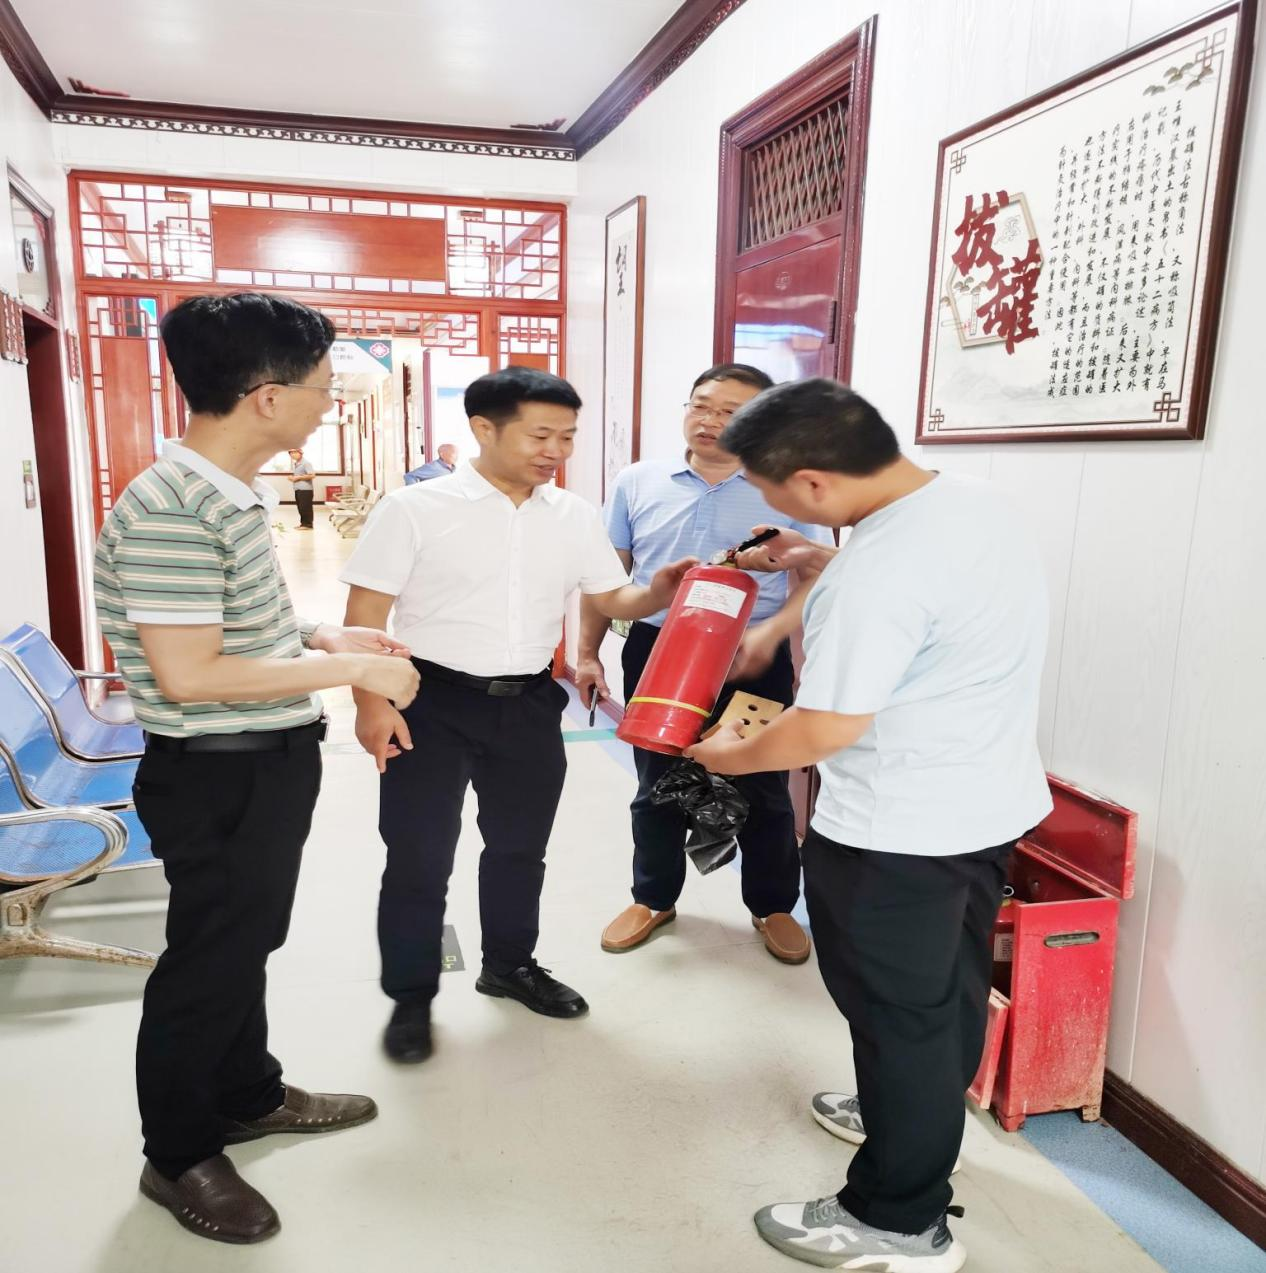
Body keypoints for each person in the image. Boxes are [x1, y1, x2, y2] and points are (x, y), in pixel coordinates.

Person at [685, 379, 1052, 1272]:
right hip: (984, 804)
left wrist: (729, 755)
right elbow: (914, 601)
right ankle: (912, 1115)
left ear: (813, 481)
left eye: (774, 492)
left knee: (896, 1016)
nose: (775, 510)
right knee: (943, 993)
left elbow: (823, 729)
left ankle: (898, 1216)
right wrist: (813, 564)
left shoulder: (878, 572)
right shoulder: (972, 502)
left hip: (895, 829)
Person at [93, 292, 421, 1245]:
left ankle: (247, 1092)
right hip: (216, 772)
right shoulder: (173, 508)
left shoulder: (226, 496)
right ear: (268, 397)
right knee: (209, 958)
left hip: (262, 762)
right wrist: (356, 673)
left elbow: (232, 627)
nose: (328, 404)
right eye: (322, 387)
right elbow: (190, 675)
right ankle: (178, 1152)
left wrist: (321, 634)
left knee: (246, 941)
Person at [340, 366, 698, 1064]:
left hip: (530, 705)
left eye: (567, 436)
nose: (555, 450)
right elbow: (364, 617)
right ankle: (411, 997)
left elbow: (610, 597)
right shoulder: (414, 508)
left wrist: (657, 590)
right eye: (540, 435)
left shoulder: (573, 515)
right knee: (418, 858)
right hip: (429, 701)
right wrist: (369, 705)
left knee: (518, 850)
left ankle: (509, 965)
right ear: (484, 428)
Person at [577, 364, 832, 963]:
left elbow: (814, 577)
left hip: (752, 658)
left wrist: (780, 643)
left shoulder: (790, 489)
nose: (711, 420)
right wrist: (587, 654)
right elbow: (605, 579)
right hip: (658, 653)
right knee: (655, 781)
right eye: (701, 405)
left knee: (765, 783)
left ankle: (772, 905)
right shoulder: (638, 480)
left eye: (731, 412)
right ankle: (653, 897)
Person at [286, 446, 316, 527]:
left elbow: (312, 475)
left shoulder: (306, 463)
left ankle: (308, 525)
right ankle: (303, 524)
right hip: (298, 489)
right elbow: (299, 475)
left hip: (305, 490)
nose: (292, 454)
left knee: (306, 508)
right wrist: (292, 477)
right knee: (301, 508)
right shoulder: (296, 464)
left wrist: (298, 478)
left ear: (300, 453)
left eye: (294, 452)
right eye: (291, 453)